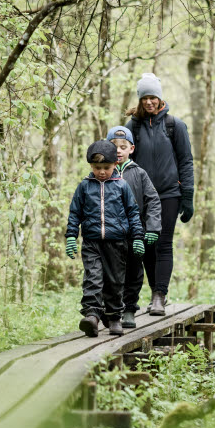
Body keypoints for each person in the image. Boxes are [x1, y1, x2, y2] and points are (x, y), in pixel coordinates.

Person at [125, 73, 194, 316]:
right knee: (144, 244)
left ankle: (159, 296)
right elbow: (123, 160)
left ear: (160, 98)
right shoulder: (132, 127)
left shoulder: (175, 125)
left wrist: (188, 195)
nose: (149, 102)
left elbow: (186, 161)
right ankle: (156, 291)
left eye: (153, 97)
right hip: (140, 197)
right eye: (145, 98)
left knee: (163, 243)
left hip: (168, 195)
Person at [65, 141, 145, 337]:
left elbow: (133, 213)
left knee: (115, 281)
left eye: (106, 168)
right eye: (97, 168)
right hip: (92, 242)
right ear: (91, 166)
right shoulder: (84, 187)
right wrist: (71, 236)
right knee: (92, 278)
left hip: (117, 242)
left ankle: (114, 316)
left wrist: (137, 237)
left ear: (115, 165)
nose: (102, 172)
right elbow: (75, 213)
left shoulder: (122, 186)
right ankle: (92, 315)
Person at [105, 126, 161, 328]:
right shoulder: (102, 172)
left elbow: (153, 201)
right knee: (111, 274)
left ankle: (129, 309)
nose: (118, 150)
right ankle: (112, 310)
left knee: (134, 272)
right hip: (109, 235)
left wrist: (153, 227)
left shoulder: (139, 173)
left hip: (135, 234)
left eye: (123, 146)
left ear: (132, 149)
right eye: (114, 146)